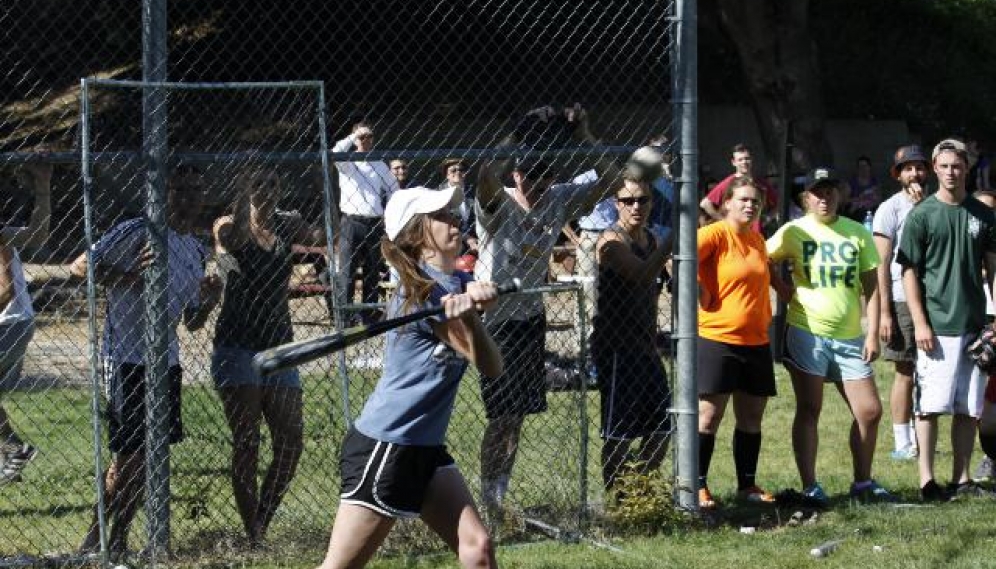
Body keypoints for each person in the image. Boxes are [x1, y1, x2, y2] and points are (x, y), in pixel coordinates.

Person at [316, 186, 501, 569]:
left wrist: (478, 299)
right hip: (387, 446)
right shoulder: (418, 296)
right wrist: (469, 317)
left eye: (452, 213)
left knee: (477, 547)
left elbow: (495, 365)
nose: (454, 220)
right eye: (441, 216)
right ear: (417, 234)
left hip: (425, 446)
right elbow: (487, 362)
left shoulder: (457, 285)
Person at [474, 105, 619, 515]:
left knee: (516, 417)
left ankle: (498, 498)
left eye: (544, 175)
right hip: (496, 320)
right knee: (501, 416)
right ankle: (489, 500)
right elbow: (485, 175)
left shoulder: (557, 199)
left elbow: (612, 179)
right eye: (528, 175)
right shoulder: (499, 203)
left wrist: (585, 134)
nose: (536, 184)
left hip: (530, 318)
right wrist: (516, 133)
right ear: (516, 174)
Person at [77, 171, 222, 553]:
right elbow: (81, 267)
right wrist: (129, 275)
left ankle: (119, 539)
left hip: (166, 363)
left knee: (148, 460)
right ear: (163, 194)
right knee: (129, 457)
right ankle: (95, 539)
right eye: (181, 190)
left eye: (195, 191)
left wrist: (209, 300)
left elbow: (191, 322)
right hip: (126, 358)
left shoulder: (194, 249)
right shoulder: (137, 230)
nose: (188, 200)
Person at [211, 170, 327, 545]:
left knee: (291, 441)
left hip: (280, 344)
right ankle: (253, 534)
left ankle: (261, 519)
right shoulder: (227, 224)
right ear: (245, 190)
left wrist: (333, 198)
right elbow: (234, 240)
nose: (266, 192)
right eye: (257, 184)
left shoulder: (288, 223)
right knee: (247, 442)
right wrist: (248, 205)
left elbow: (323, 238)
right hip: (238, 344)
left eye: (273, 185)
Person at [767, 167, 895, 506]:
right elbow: (760, 257)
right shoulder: (793, 231)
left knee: (869, 411)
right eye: (816, 192)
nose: (824, 198)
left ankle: (863, 482)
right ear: (805, 198)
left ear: (840, 194)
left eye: (830, 191)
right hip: (807, 331)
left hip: (851, 336)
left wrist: (873, 333)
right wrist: (783, 289)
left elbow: (873, 288)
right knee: (810, 408)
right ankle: (810, 487)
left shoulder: (856, 233)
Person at [896, 139, 996, 501]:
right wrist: (920, 322)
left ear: (966, 169)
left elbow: (993, 269)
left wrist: (995, 319)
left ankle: (962, 478)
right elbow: (908, 271)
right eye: (945, 166)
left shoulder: (983, 215)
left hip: (974, 325)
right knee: (930, 407)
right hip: (937, 326)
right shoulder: (922, 215)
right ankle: (926, 481)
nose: (952, 172)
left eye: (958, 166)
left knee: (968, 408)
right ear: (934, 169)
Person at [696, 177, 776, 509]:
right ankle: (697, 487)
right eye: (743, 199)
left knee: (751, 418)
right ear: (726, 202)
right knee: (709, 417)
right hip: (718, 339)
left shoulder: (757, 239)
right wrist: (702, 292)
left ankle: (747, 486)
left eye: (755, 202)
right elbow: (680, 259)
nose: (750, 205)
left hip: (756, 341)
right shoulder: (714, 234)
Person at [591, 175, 671, 493]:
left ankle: (635, 492)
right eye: (628, 201)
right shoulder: (611, 241)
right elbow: (640, 274)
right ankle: (615, 497)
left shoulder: (650, 239)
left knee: (662, 428)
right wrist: (674, 241)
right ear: (616, 204)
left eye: (643, 200)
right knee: (619, 433)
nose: (636, 206)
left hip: (645, 346)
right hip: (616, 349)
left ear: (652, 203)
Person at [872, 145, 929, 462]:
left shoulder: (934, 205)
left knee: (928, 371)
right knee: (906, 371)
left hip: (934, 298)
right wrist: (884, 313)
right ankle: (902, 440)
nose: (914, 174)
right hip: (900, 298)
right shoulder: (889, 208)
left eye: (919, 168)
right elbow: (881, 263)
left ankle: (923, 437)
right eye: (907, 168)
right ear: (898, 174)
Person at [0, 162, 51, 484]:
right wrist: (44, 188)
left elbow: (6, 288)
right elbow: (39, 234)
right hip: (18, 322)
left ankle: (13, 451)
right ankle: (11, 459)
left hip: (8, 322)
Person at [333, 121, 399, 322]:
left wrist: (389, 213)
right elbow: (334, 152)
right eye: (362, 137)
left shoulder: (379, 164)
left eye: (369, 136)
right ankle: (345, 317)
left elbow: (394, 188)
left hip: (374, 223)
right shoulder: (348, 161)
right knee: (347, 271)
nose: (366, 140)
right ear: (354, 139)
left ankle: (368, 313)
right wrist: (354, 137)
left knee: (372, 270)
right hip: (351, 222)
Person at [699, 143, 778, 232]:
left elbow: (778, 204)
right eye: (740, 160)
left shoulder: (761, 183)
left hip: (756, 234)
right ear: (734, 162)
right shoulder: (729, 182)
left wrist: (768, 217)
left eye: (747, 158)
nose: (744, 162)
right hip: (735, 234)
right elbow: (705, 204)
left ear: (752, 160)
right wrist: (724, 221)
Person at [438, 158, 479, 256]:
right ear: (447, 175)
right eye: (453, 170)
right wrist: (467, 238)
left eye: (461, 170)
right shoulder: (439, 194)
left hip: (476, 241)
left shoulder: (473, 192)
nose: (458, 172)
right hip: (450, 241)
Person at [844, 155, 882, 220]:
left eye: (865, 166)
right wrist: (858, 200)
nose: (863, 168)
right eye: (860, 166)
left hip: (870, 212)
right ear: (857, 168)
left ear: (869, 167)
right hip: (856, 213)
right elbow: (844, 201)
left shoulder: (874, 181)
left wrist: (870, 202)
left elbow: (879, 199)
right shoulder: (851, 183)